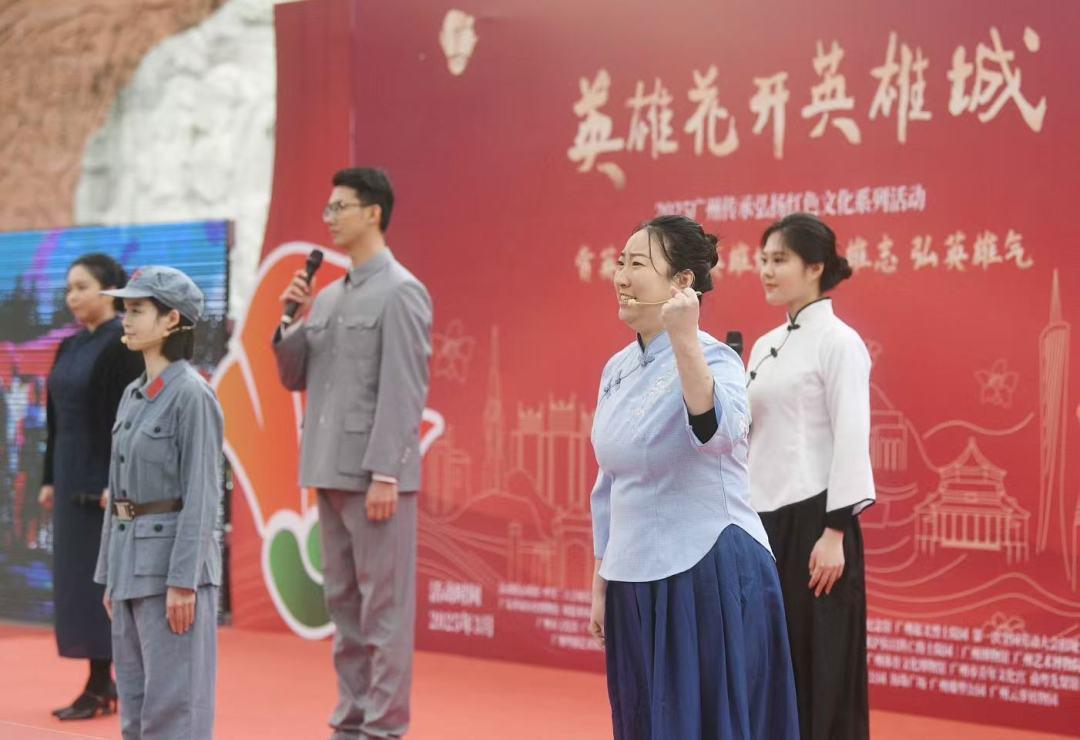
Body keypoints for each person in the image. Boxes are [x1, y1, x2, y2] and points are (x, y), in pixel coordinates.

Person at [588, 214, 798, 739]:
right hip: (634, 576)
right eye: (620, 262)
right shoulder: (616, 369)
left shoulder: (715, 358)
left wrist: (684, 339)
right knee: (645, 720)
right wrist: (602, 576)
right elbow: (610, 479)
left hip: (706, 572)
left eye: (638, 264)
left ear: (682, 282)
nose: (621, 276)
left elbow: (718, 434)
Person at [273, 167, 433, 739]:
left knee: (383, 612)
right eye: (328, 209)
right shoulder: (326, 297)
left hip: (374, 478)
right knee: (342, 606)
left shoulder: (402, 291)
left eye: (339, 207)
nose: (331, 218)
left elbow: (404, 390)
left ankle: (384, 727)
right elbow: (294, 376)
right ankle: (351, 718)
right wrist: (289, 320)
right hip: (327, 469)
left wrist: (387, 472)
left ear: (373, 213)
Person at [747, 213, 875, 740]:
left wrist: (835, 532)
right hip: (761, 526)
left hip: (818, 525)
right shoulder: (762, 345)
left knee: (819, 664)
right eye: (763, 260)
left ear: (816, 267)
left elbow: (852, 435)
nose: (766, 271)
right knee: (764, 663)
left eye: (779, 260)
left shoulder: (840, 342)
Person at [93, 266, 224, 739]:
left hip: (170, 572)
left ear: (171, 320)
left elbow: (203, 495)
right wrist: (109, 574)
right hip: (130, 568)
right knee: (134, 711)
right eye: (125, 309)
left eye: (137, 310)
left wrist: (183, 582)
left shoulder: (192, 395)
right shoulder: (133, 395)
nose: (125, 319)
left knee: (173, 713)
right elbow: (118, 492)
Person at [38, 254, 143, 720]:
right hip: (68, 475)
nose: (72, 297)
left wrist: (114, 482)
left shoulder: (123, 346)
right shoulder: (69, 346)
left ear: (108, 290)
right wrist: (48, 478)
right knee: (75, 582)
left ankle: (105, 682)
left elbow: (127, 422)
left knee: (102, 580)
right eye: (68, 289)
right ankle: (99, 679)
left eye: (81, 287)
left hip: (103, 482)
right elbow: (55, 419)